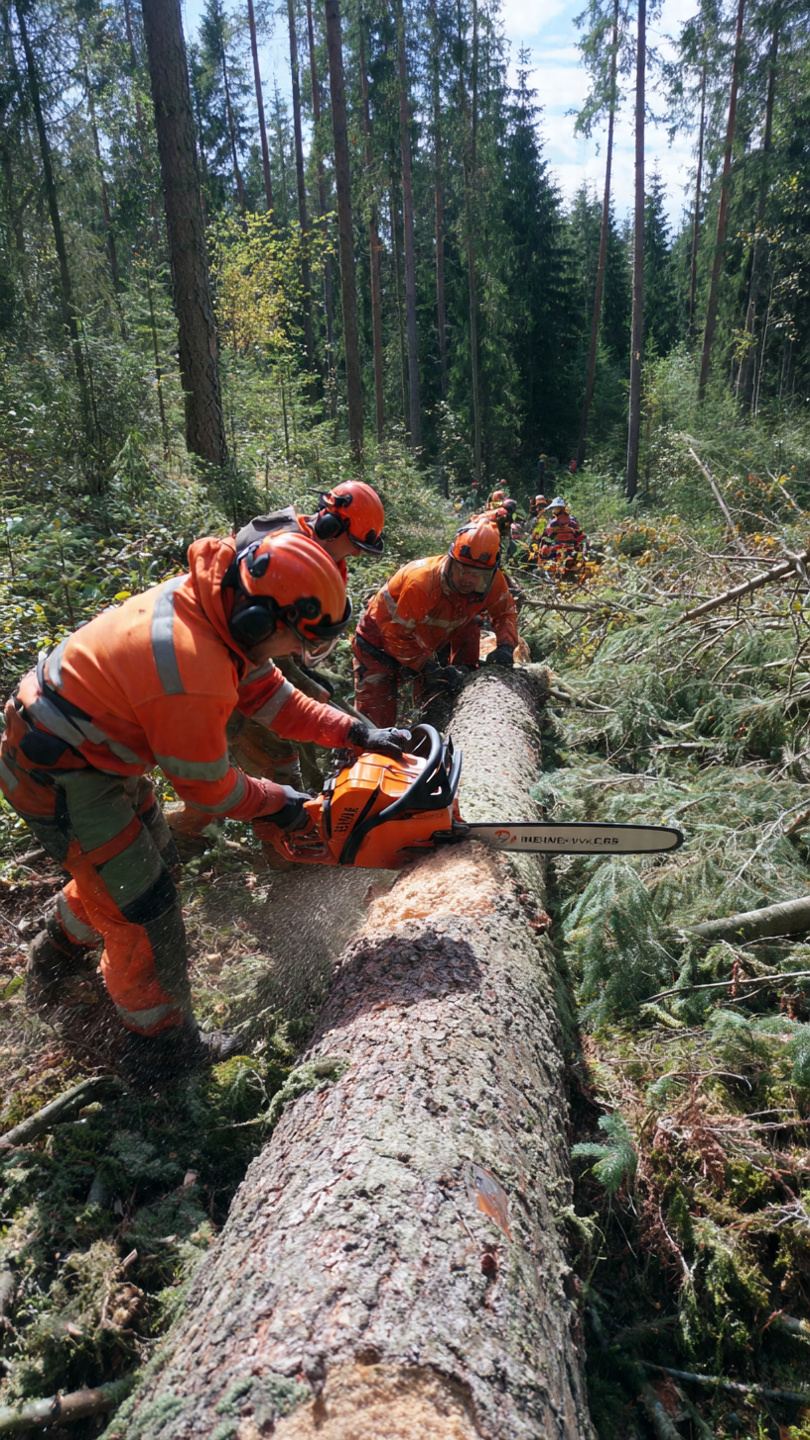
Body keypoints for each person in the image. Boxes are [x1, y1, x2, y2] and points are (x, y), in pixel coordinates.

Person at [0, 530, 407, 1081]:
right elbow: (207, 789)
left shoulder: (215, 605)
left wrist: (354, 731)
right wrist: (278, 803)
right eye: (295, 640)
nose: (294, 653)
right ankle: (163, 1048)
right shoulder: (191, 667)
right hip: (60, 772)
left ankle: (56, 953)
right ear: (259, 622)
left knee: (141, 866)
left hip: (95, 751)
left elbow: (271, 697)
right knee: (146, 908)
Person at [169, 481, 385, 838]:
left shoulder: (318, 553)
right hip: (226, 674)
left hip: (249, 667)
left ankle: (189, 839)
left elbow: (286, 645)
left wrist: (353, 729)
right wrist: (307, 687)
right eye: (356, 545)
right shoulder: (279, 550)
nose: (358, 555)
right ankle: (284, 856)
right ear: (333, 528)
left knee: (276, 759)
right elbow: (259, 641)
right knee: (273, 768)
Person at [352, 518, 519, 726]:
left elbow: (504, 613)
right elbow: (395, 636)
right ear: (451, 560)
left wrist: (505, 646)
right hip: (379, 644)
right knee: (375, 722)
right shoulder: (422, 582)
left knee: (433, 706)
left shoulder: (494, 583)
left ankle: (461, 679)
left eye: (478, 575)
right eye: (463, 570)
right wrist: (429, 667)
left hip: (426, 640)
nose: (468, 579)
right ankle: (353, 753)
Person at [534, 496, 586, 576]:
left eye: (554, 508)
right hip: (571, 548)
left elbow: (547, 536)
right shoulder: (573, 520)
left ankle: (541, 569)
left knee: (543, 549)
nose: (553, 510)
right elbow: (579, 534)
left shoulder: (553, 523)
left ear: (559, 508)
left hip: (558, 548)